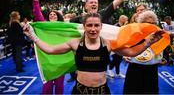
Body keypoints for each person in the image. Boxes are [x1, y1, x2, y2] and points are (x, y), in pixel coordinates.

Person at [24, 13, 165, 94]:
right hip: (80, 91)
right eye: (89, 25)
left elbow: (131, 52)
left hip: (102, 91)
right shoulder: (74, 43)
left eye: (96, 25)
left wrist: (148, 42)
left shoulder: (109, 43)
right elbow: (50, 49)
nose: (93, 29)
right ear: (84, 27)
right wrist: (32, 36)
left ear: (101, 27)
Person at [123, 10, 164, 94]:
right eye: (148, 23)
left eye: (153, 23)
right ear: (141, 23)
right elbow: (123, 48)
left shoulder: (159, 36)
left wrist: (163, 58)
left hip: (151, 71)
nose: (151, 25)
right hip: (134, 70)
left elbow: (163, 52)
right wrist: (124, 55)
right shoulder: (133, 34)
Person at [33, 0, 64, 94]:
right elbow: (37, 12)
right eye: (50, 14)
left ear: (58, 17)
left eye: (54, 14)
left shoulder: (64, 28)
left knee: (59, 87)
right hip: (47, 59)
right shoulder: (45, 25)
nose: (52, 15)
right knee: (47, 88)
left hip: (60, 60)